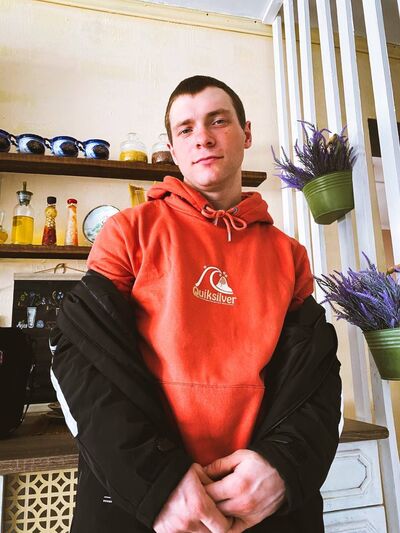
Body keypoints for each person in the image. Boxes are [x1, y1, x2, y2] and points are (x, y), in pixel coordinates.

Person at [50, 75, 341, 533]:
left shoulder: (290, 255)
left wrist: (283, 465)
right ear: (172, 147)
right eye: (185, 129)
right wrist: (157, 482)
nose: (202, 137)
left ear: (246, 133)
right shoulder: (127, 232)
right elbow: (80, 360)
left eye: (217, 121)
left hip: (261, 507)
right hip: (145, 506)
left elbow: (317, 379)